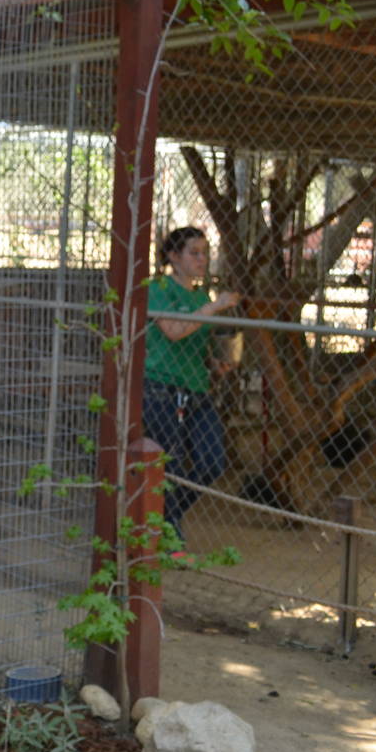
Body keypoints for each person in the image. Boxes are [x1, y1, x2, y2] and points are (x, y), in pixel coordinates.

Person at [143, 226, 239, 545]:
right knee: (168, 463)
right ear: (173, 256)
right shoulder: (159, 287)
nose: (202, 259)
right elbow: (172, 330)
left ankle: (167, 517)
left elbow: (195, 343)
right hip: (161, 386)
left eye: (205, 253)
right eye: (194, 253)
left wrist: (215, 363)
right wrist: (214, 307)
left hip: (196, 388)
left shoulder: (200, 296)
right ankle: (168, 533)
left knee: (211, 462)